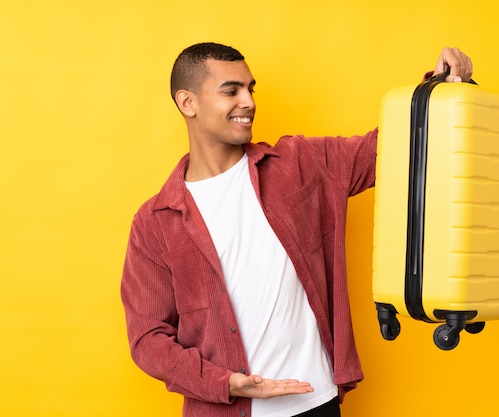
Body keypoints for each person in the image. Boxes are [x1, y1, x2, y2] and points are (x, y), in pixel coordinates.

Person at [121, 42, 473, 417]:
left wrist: (438, 88)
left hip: (315, 402)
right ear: (187, 102)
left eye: (250, 89)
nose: (249, 102)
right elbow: (148, 339)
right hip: (224, 410)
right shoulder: (155, 222)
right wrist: (224, 383)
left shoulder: (298, 163)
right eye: (231, 91)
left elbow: (390, 149)